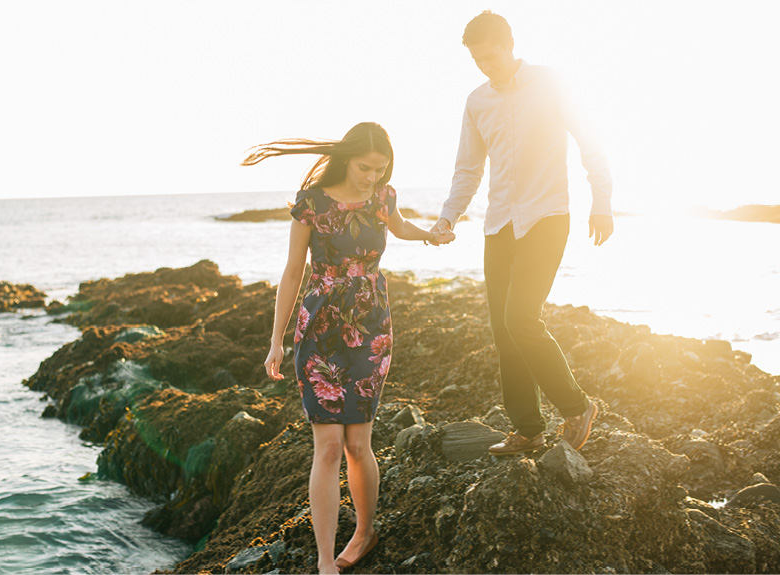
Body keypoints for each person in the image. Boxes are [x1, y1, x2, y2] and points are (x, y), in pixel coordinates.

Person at [242, 122, 454, 574]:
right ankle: (324, 561)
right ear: (347, 157)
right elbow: (293, 271)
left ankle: (364, 532)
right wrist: (275, 340)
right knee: (328, 446)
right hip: (319, 327)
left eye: (380, 170)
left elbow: (398, 227)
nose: (371, 177)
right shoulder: (311, 204)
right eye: (365, 167)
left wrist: (431, 235)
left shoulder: (383, 197)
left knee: (359, 441)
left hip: (371, 325)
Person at [431, 11, 613, 455]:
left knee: (521, 320)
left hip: (547, 217)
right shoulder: (477, 102)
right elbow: (468, 169)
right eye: (477, 60)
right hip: (499, 226)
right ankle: (528, 430)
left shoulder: (551, 83)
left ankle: (577, 406)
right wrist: (448, 218)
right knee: (502, 330)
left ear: (509, 44)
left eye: (490, 56)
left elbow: (590, 140)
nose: (485, 66)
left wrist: (602, 201)